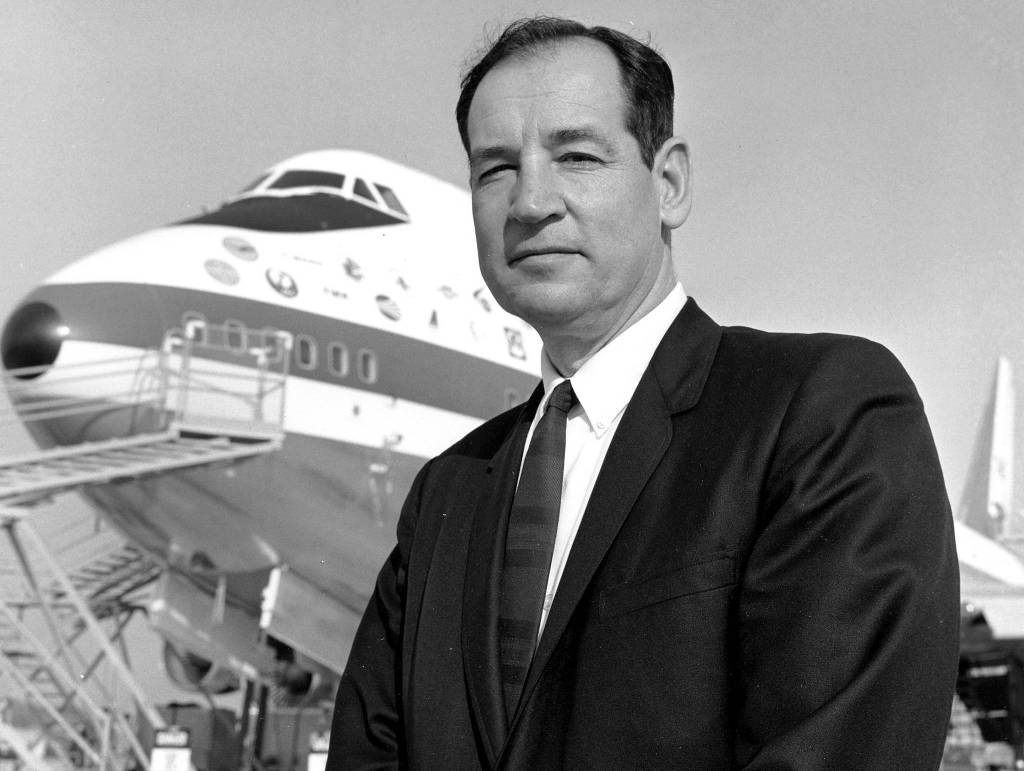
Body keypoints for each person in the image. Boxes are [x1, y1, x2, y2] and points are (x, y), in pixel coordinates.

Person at [328, 16, 960, 769]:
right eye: (495, 168)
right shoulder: (445, 497)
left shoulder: (820, 414)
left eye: (577, 155)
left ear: (669, 184)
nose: (531, 201)